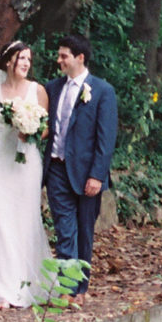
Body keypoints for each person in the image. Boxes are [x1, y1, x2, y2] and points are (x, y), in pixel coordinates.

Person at [0, 39, 54, 309]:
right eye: (21, 59)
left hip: (26, 162)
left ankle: (26, 285)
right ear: (8, 62)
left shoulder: (37, 91)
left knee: (24, 221)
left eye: (29, 59)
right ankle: (2, 289)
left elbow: (46, 129)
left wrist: (31, 130)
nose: (26, 63)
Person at [45, 33, 118, 291]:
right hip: (56, 168)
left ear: (80, 58)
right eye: (59, 55)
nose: (59, 61)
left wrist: (97, 175)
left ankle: (80, 289)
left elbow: (106, 138)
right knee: (65, 229)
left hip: (87, 173)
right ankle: (67, 288)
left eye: (63, 56)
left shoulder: (102, 91)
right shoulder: (52, 88)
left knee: (84, 231)